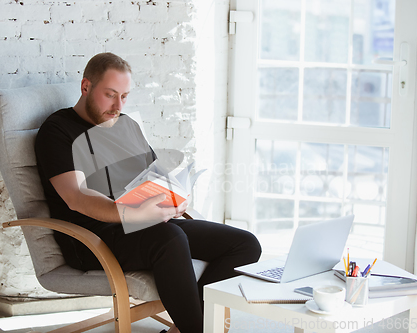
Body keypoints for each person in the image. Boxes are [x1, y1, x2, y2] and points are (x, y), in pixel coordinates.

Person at [35, 52, 262, 333]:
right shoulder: (57, 131)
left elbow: (152, 178)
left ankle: (190, 326)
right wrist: (133, 213)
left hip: (143, 225)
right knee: (170, 237)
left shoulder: (126, 126)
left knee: (244, 244)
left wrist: (174, 198)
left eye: (125, 96)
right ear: (86, 87)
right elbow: (76, 196)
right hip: (94, 238)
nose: (118, 105)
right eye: (110, 94)